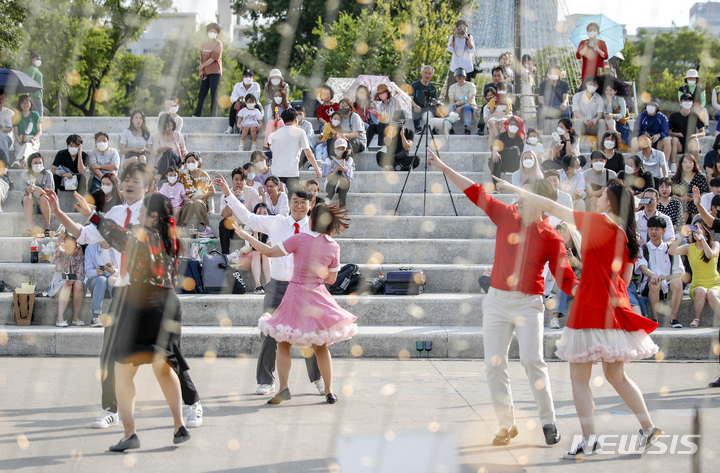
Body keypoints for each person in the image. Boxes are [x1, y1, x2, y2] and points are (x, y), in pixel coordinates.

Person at [494, 177, 661, 459]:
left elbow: (554, 207)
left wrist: (515, 189)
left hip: (591, 307)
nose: (597, 197)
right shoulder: (624, 233)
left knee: (579, 379)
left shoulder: (599, 221)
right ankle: (648, 427)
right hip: (615, 306)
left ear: (610, 201)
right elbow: (625, 278)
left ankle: (589, 439)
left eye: (602, 194)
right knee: (616, 376)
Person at [428, 148, 576, 447]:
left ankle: (548, 421)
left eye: (523, 197)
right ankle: (506, 425)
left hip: (528, 304)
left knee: (533, 360)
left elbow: (566, 279)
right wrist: (443, 165)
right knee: (494, 364)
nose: (517, 200)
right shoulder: (505, 214)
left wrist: (590, 294)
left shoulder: (551, 235)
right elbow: (473, 190)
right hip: (496, 301)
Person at [45, 162, 202, 431]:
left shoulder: (155, 214)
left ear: (149, 185)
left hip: (154, 294)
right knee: (110, 353)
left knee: (168, 355)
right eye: (126, 179)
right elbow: (84, 234)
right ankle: (112, 409)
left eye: (136, 180)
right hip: (123, 291)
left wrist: (94, 215)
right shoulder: (116, 212)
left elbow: (123, 238)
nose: (129, 183)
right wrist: (59, 212)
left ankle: (192, 403)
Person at [93, 193, 191, 451]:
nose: (137, 215)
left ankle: (129, 433)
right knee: (163, 365)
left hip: (142, 303)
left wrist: (92, 215)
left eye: (142, 211)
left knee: (123, 370)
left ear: (153, 216)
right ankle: (179, 425)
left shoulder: (144, 235)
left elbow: (118, 237)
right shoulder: (173, 239)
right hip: (168, 303)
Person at [233, 203, 357, 405]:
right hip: (317, 297)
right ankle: (329, 390)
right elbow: (332, 280)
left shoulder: (299, 239)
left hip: (295, 293)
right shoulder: (334, 246)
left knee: (283, 343)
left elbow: (270, 252)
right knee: (321, 347)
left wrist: (248, 237)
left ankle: (283, 388)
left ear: (313, 220)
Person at [215, 175, 324, 397]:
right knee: (268, 331)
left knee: (311, 334)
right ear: (289, 202)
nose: (299, 206)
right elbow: (247, 217)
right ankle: (266, 380)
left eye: (304, 202)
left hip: (303, 288)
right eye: (295, 201)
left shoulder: (314, 229)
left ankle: (319, 378)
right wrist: (228, 194)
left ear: (310, 205)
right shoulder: (277, 222)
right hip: (277, 287)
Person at [669, 213, 720, 329]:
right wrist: (682, 236)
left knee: (711, 294)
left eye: (700, 228)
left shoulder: (715, 245)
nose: (697, 231)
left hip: (715, 283)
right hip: (697, 284)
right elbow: (671, 251)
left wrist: (703, 240)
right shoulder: (689, 247)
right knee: (701, 291)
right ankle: (696, 319)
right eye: (695, 228)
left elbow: (710, 255)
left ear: (706, 231)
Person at [636, 216, 684, 326]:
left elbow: (678, 274)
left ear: (664, 231)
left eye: (657, 229)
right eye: (651, 229)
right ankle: (655, 319)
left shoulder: (671, 249)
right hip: (649, 286)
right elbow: (643, 267)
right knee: (654, 282)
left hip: (667, 285)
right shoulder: (643, 248)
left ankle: (674, 318)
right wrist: (654, 276)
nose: (653, 232)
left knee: (678, 282)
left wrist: (663, 278)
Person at [268, 108, 322, 193]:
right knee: (295, 198)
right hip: (291, 172)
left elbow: (274, 154)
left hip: (276, 172)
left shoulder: (274, 135)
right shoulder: (300, 132)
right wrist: (317, 170)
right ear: (296, 119)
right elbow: (309, 154)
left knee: (277, 199)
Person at [47, 229, 85, 327]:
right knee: (67, 284)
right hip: (60, 280)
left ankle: (76, 318)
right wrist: (58, 241)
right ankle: (59, 318)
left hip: (75, 280)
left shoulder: (79, 250)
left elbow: (81, 271)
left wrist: (75, 279)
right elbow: (52, 260)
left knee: (78, 283)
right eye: (65, 238)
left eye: (68, 238)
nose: (66, 240)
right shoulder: (60, 248)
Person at [218, 166, 260, 254]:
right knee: (223, 224)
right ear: (232, 180)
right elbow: (225, 215)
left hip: (248, 224)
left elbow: (257, 212)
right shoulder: (226, 194)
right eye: (236, 180)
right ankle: (225, 254)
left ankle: (254, 252)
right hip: (234, 225)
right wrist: (233, 199)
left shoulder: (252, 192)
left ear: (245, 181)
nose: (239, 183)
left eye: (241, 180)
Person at [549, 222, 582, 329]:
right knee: (564, 286)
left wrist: (573, 260)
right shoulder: (559, 245)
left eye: (565, 232)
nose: (562, 234)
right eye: (561, 231)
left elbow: (586, 269)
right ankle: (555, 318)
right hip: (566, 280)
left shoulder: (579, 247)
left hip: (580, 279)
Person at [237, 202, 273, 294]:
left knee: (265, 254)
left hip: (267, 256)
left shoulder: (271, 227)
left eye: (265, 213)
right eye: (259, 213)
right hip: (249, 256)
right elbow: (251, 247)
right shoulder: (248, 226)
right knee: (257, 254)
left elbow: (269, 247)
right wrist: (255, 232)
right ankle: (257, 285)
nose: (262, 215)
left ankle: (269, 285)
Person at [178, 152, 215, 237]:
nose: (191, 163)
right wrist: (187, 198)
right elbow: (179, 189)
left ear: (198, 162)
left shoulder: (203, 174)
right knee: (190, 203)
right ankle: (183, 227)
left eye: (193, 161)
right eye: (188, 162)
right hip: (188, 199)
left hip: (201, 200)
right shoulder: (184, 175)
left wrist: (201, 196)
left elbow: (212, 191)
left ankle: (207, 228)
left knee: (197, 202)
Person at [84, 241, 118, 328]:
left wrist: (114, 271)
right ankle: (96, 316)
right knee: (102, 280)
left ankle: (117, 315)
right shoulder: (91, 248)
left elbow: (124, 271)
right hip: (96, 283)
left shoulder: (118, 248)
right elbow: (87, 271)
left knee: (112, 279)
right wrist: (96, 272)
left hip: (112, 284)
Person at [193, 23, 223, 117]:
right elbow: (201, 58)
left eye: (214, 31)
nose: (212, 33)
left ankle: (213, 115)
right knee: (202, 94)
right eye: (210, 31)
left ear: (217, 33)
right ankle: (197, 114)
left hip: (215, 72)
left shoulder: (218, 44)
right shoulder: (205, 44)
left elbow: (213, 58)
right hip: (205, 72)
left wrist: (202, 66)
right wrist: (201, 70)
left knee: (214, 94)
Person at [20, 152, 54, 236]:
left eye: (40, 163)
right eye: (35, 163)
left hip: (45, 203)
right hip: (31, 202)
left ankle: (47, 227)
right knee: (27, 198)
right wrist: (27, 190)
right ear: (30, 164)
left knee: (44, 198)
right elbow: (22, 192)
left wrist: (40, 191)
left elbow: (51, 192)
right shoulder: (24, 175)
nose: (38, 165)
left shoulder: (48, 174)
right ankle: (29, 228)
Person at [669, 93, 706, 166]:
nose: (688, 102)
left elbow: (703, 132)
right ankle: (673, 164)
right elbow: (669, 132)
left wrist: (695, 135)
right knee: (674, 139)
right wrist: (676, 134)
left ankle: (695, 165)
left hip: (690, 144)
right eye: (685, 100)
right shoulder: (674, 116)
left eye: (689, 101)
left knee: (695, 140)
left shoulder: (695, 115)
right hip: (679, 144)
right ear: (681, 102)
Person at [671, 154, 709, 224]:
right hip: (680, 203)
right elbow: (670, 195)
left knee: (693, 204)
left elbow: (705, 192)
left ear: (694, 164)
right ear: (681, 164)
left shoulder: (700, 177)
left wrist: (697, 197)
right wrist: (682, 198)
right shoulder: (675, 179)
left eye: (690, 162)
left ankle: (696, 225)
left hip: (697, 203)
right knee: (686, 204)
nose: (687, 165)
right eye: (685, 162)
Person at [632, 97, 671, 161]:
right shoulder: (641, 116)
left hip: (656, 142)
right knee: (634, 140)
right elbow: (636, 131)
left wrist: (659, 135)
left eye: (652, 105)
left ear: (657, 107)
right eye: (649, 105)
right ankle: (636, 162)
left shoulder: (662, 118)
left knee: (667, 140)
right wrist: (643, 137)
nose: (650, 107)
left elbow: (665, 131)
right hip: (643, 141)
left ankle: (665, 163)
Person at [488, 115, 524, 180]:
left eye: (515, 124)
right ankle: (496, 187)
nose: (513, 126)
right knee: (495, 160)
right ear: (508, 125)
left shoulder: (519, 141)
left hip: (512, 165)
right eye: (511, 123)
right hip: (500, 163)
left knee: (515, 150)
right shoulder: (501, 136)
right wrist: (495, 152)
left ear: (518, 127)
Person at [12, 94, 42, 169]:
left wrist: (34, 139)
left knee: (28, 145)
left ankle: (18, 160)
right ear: (20, 104)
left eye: (28, 102)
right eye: (23, 103)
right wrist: (19, 141)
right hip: (20, 139)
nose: (26, 105)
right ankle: (25, 161)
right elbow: (15, 133)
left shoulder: (35, 115)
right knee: (25, 145)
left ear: (31, 103)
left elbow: (39, 131)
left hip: (33, 139)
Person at [537, 64, 571, 131]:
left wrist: (564, 103)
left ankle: (567, 130)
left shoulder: (564, 84)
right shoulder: (543, 84)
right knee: (540, 110)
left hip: (558, 107)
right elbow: (540, 96)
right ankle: (540, 131)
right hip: (547, 106)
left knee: (566, 109)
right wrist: (542, 104)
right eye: (549, 72)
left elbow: (565, 95)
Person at [226, 68, 261, 134]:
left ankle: (258, 128)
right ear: (242, 77)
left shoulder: (256, 85)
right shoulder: (237, 85)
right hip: (240, 104)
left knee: (258, 108)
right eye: (246, 76)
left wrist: (245, 101)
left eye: (250, 76)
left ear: (253, 78)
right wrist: (238, 99)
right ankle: (230, 127)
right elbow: (232, 98)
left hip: (252, 104)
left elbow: (256, 97)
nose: (248, 78)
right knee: (234, 105)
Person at [572, 76, 606, 141]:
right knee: (578, 121)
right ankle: (575, 146)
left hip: (593, 125)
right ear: (586, 84)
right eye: (590, 84)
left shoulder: (599, 98)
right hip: (582, 124)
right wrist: (585, 121)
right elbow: (576, 113)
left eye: (594, 84)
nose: (592, 86)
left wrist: (594, 120)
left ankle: (601, 147)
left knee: (602, 122)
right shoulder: (577, 96)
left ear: (597, 86)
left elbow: (599, 114)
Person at [322, 138, 354, 208]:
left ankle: (330, 199)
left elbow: (345, 170)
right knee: (338, 172)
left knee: (341, 174)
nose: (341, 150)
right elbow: (328, 177)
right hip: (330, 185)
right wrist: (336, 169)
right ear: (334, 149)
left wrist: (343, 158)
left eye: (343, 148)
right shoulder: (329, 159)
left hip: (344, 185)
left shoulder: (349, 160)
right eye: (338, 148)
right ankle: (331, 198)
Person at [446, 19, 476, 92]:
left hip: (467, 67)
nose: (462, 30)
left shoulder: (469, 37)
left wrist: (467, 38)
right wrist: (455, 35)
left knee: (467, 89)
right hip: (455, 67)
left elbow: (471, 49)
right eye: (461, 28)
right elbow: (450, 49)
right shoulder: (452, 37)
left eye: (464, 28)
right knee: (451, 89)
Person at [448, 68, 477, 135]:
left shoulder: (471, 86)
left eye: (461, 76)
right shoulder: (452, 87)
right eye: (457, 76)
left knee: (466, 107)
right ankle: (451, 128)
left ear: (464, 77)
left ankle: (467, 128)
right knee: (451, 107)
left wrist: (461, 107)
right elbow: (451, 102)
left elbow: (470, 101)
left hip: (470, 106)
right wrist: (458, 104)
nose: (459, 77)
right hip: (457, 104)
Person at [410, 65, 439, 133]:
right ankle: (417, 128)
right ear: (422, 74)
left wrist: (435, 102)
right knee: (416, 109)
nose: (427, 75)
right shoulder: (415, 85)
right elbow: (410, 98)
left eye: (429, 74)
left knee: (438, 107)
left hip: (427, 107)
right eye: (425, 73)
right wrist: (415, 106)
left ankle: (434, 129)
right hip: (417, 106)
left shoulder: (433, 87)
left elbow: (435, 100)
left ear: (432, 75)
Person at [602, 81, 630, 146]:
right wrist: (610, 102)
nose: (608, 92)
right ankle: (615, 133)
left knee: (609, 118)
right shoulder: (603, 101)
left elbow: (623, 114)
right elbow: (605, 114)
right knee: (608, 118)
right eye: (607, 90)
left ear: (615, 91)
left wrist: (613, 115)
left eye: (611, 90)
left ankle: (614, 135)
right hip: (609, 122)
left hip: (619, 121)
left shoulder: (620, 99)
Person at [0, 90, 15, 167]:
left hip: (6, 138)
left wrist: (1, 128)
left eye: (2, 98)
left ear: (5, 99)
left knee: (1, 137)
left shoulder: (9, 112)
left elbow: (9, 129)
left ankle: (5, 164)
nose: (0, 100)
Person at [27, 52, 43, 116]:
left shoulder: (36, 69)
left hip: (38, 94)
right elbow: (29, 82)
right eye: (37, 59)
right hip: (34, 94)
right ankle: (39, 126)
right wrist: (27, 95)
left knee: (36, 113)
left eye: (40, 59)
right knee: (39, 112)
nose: (39, 61)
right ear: (32, 59)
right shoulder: (32, 68)